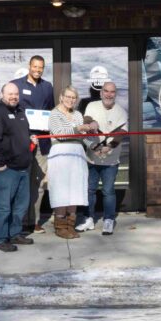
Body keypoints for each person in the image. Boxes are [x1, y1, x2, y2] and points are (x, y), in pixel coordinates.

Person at [0, 82, 35, 252]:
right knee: (3, 207)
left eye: (16, 94)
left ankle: (14, 233)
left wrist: (30, 140)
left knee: (21, 206)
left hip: (22, 168)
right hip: (5, 170)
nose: (13, 97)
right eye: (10, 94)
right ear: (2, 94)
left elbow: (19, 135)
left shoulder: (20, 111)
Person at [11, 55, 54, 235]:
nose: (37, 70)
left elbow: (50, 111)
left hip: (42, 142)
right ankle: (18, 222)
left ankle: (34, 221)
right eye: (35, 66)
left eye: (41, 67)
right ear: (29, 66)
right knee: (20, 182)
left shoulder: (47, 87)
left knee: (39, 183)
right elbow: (9, 110)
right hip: (22, 142)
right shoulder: (17, 85)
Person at [79, 80, 129, 235]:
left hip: (110, 159)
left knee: (108, 191)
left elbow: (122, 132)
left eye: (112, 92)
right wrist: (91, 123)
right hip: (92, 157)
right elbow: (86, 120)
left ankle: (108, 220)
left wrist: (109, 146)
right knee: (90, 189)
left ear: (115, 94)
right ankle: (89, 219)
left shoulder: (121, 111)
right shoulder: (92, 106)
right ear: (101, 93)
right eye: (106, 91)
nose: (109, 94)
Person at [47, 87, 96, 240]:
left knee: (75, 189)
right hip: (61, 155)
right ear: (61, 97)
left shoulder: (78, 114)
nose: (70, 100)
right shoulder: (54, 114)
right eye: (68, 96)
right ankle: (60, 226)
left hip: (77, 155)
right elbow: (60, 134)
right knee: (62, 190)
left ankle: (70, 225)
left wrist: (95, 146)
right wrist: (78, 128)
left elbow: (82, 137)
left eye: (74, 97)